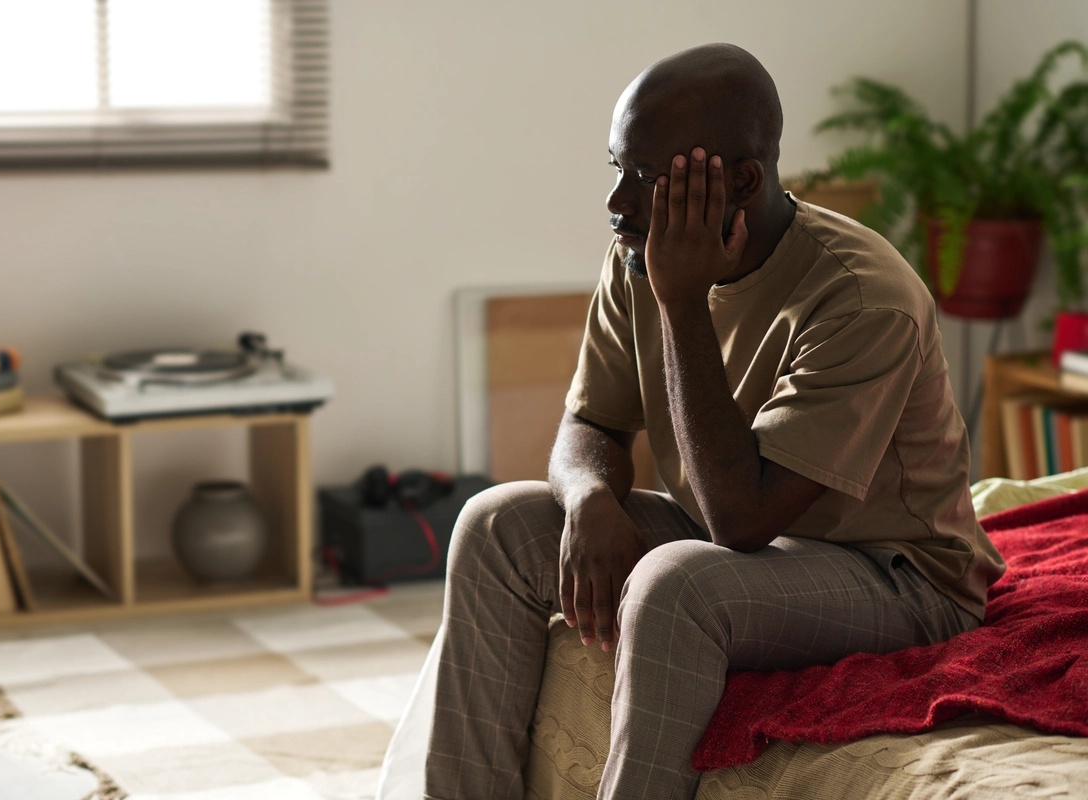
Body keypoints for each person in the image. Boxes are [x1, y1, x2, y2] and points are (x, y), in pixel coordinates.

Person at [421, 42, 1006, 799]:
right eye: (617, 170)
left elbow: (739, 519)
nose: (618, 204)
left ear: (741, 180)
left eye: (649, 177)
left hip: (900, 579)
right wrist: (592, 499)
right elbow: (588, 425)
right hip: (747, 547)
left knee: (679, 585)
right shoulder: (641, 252)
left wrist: (683, 302)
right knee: (494, 525)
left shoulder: (864, 300)